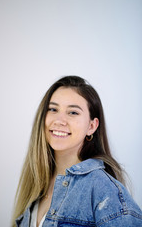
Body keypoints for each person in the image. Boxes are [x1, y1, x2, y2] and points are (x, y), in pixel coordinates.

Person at [11, 75, 142, 227]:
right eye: (53, 109)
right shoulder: (36, 187)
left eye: (73, 112)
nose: (59, 120)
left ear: (91, 126)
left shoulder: (104, 190)